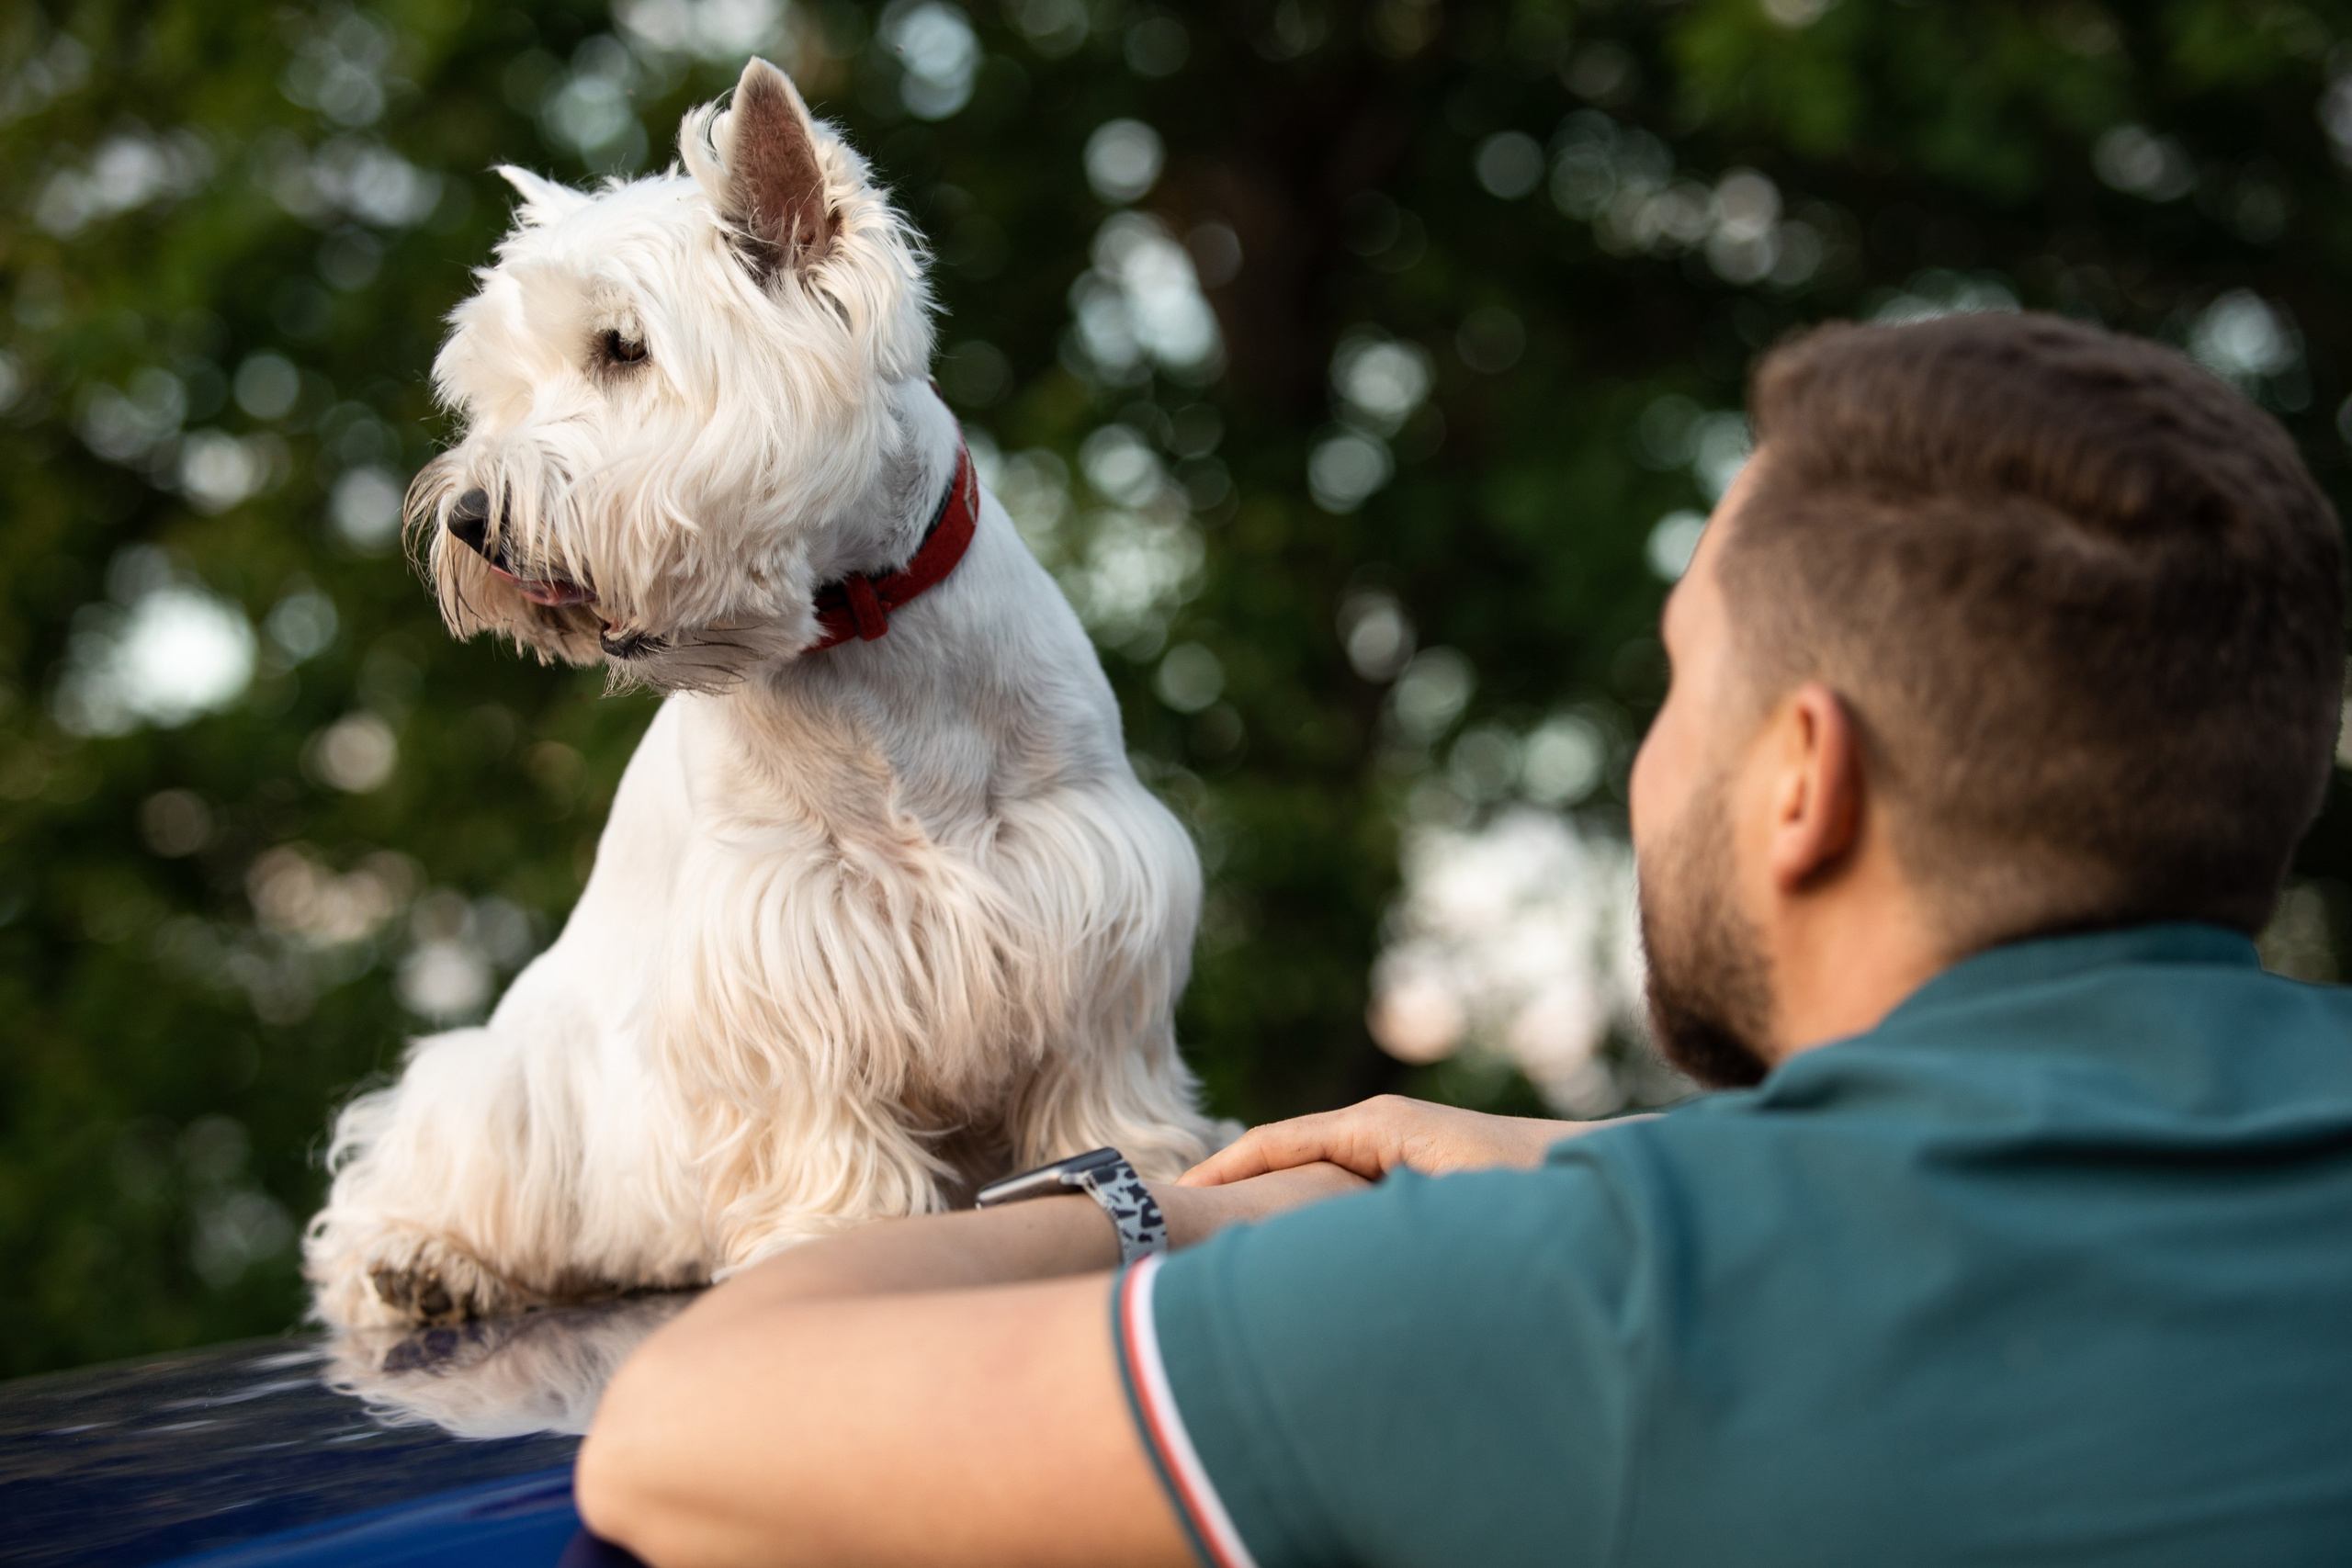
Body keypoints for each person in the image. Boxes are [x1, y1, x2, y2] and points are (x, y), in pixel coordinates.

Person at [573, 311, 2352, 1568]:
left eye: (1680, 684)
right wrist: (1583, 1145)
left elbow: (682, 1430)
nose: (1656, 759)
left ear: (1802, 776)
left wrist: (1164, 1202)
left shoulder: (1592, 1306)